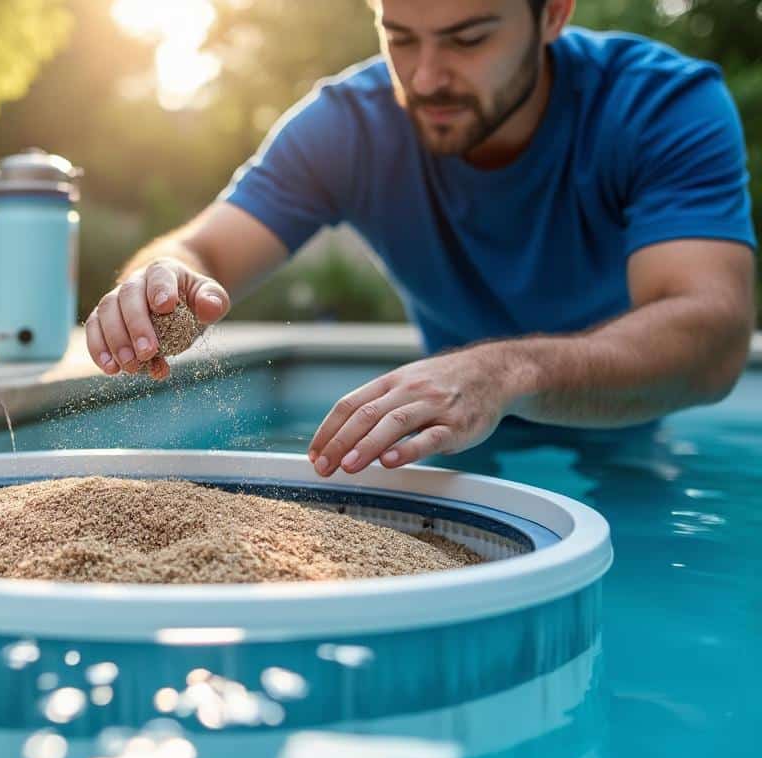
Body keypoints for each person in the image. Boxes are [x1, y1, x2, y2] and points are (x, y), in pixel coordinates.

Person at [85, 0, 756, 477]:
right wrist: (157, 283)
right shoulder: (348, 123)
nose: (426, 76)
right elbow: (200, 250)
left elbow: (715, 336)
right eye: (400, 36)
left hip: (628, 437)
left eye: (467, 39)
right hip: (457, 450)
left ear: (553, 13)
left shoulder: (660, 106)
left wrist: (505, 374)